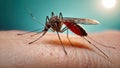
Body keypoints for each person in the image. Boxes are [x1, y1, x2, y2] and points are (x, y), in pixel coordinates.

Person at [0, 30, 120, 68]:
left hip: (74, 27)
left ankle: (102, 48)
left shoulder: (58, 24)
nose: (46, 29)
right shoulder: (51, 23)